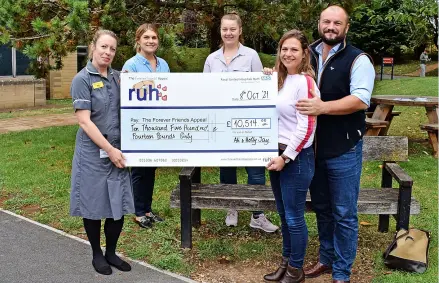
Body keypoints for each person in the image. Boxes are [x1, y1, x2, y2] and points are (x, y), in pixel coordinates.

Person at [295, 5, 375, 283]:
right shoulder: (308, 54)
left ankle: (342, 272)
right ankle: (326, 260)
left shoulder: (358, 59)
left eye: (337, 23)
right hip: (312, 149)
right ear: (319, 23)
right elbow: (290, 80)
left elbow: (361, 100)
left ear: (346, 27)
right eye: (327, 21)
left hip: (344, 149)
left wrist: (322, 107)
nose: (331, 27)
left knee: (344, 213)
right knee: (323, 209)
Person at [203, 12, 278, 233]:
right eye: (225, 29)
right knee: (227, 168)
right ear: (220, 31)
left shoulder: (251, 55)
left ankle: (257, 214)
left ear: (240, 31)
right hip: (222, 122)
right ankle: (231, 207)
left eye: (232, 29)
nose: (228, 33)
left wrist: (266, 75)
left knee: (255, 169)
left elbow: (262, 89)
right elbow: (203, 91)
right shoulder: (211, 59)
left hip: (249, 122)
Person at [70, 29, 134, 275]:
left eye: (113, 49)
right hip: (92, 155)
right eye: (104, 47)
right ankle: (97, 253)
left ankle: (111, 252)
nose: (108, 53)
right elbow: (85, 122)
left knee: (117, 205)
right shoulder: (82, 79)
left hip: (118, 152)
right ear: (93, 47)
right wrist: (109, 149)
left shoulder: (120, 78)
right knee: (94, 204)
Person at [262, 29, 319, 283]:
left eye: (294, 49)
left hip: (295, 158)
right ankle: (286, 262)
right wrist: (264, 80)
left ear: (304, 53)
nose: (288, 53)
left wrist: (286, 157)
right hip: (276, 154)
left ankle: (296, 270)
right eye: (284, 49)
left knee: (294, 217)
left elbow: (307, 127)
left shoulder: (305, 82)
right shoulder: (279, 79)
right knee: (284, 215)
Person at [122, 23, 170, 229]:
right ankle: (139, 212)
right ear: (138, 41)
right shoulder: (131, 65)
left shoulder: (163, 65)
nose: (151, 41)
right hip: (138, 125)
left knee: (151, 167)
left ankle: (148, 209)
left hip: (158, 124)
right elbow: (128, 93)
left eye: (154, 38)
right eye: (146, 37)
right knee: (139, 170)